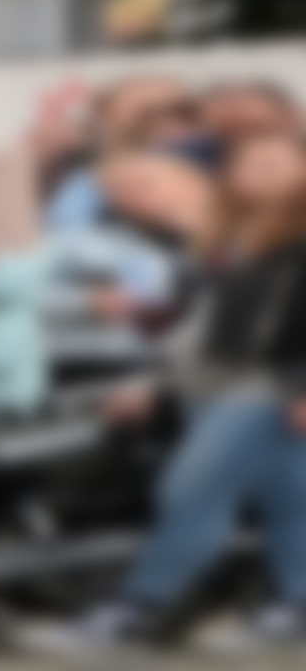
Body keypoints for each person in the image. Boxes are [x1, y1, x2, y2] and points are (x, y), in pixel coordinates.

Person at [79, 130, 306, 645]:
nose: (259, 175)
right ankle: (295, 604)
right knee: (288, 498)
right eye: (252, 164)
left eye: (275, 164)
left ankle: (139, 605)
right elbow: (202, 314)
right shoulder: (236, 233)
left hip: (262, 388)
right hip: (215, 383)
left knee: (191, 489)